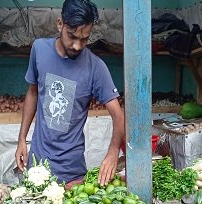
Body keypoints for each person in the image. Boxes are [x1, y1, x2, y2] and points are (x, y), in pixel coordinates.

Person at [15, 0, 124, 186]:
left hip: (71, 172)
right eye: (72, 36)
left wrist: (113, 151)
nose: (77, 46)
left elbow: (118, 114)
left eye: (84, 39)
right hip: (37, 163)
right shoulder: (39, 49)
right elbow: (32, 93)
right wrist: (21, 139)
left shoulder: (96, 67)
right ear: (60, 24)